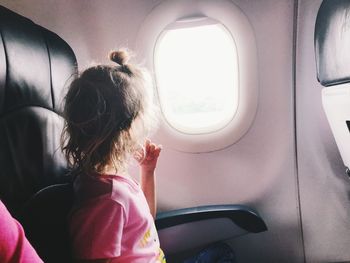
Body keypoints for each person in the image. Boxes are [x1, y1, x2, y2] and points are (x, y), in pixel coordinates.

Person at [61, 49, 165, 263]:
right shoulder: (107, 200)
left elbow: (145, 223)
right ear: (126, 128)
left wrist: (148, 171)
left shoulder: (113, 184)